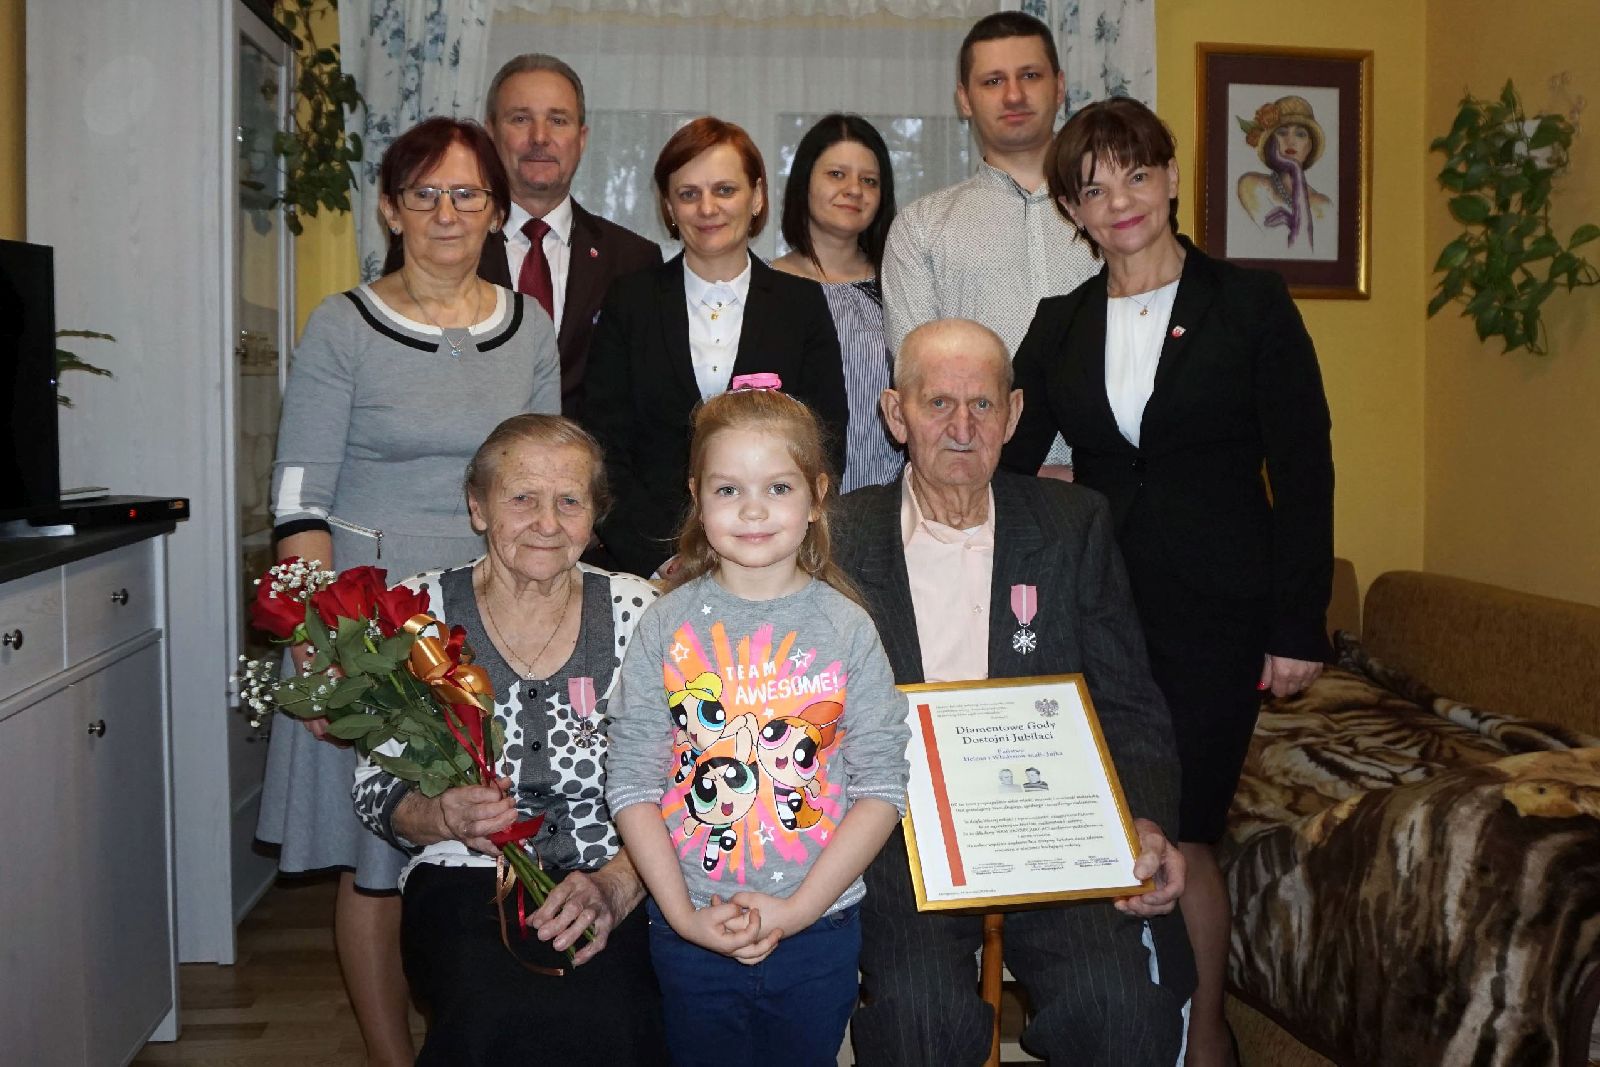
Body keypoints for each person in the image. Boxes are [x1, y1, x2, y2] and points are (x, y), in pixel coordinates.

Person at [1002, 97, 1334, 1067]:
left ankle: (1205, 1035)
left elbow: (1303, 468)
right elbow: (1007, 456)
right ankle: (1123, 1017)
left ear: (1174, 176)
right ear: (1073, 210)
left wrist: (1299, 621)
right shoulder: (1059, 322)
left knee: (1183, 828)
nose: (1120, 201)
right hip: (1096, 611)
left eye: (1136, 174)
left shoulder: (1250, 303)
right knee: (1103, 819)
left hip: (1217, 615)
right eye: (1093, 187)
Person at [258, 116, 560, 1066]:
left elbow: (547, 480)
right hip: (373, 625)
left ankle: (485, 1035)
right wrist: (323, 654)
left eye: (467, 193)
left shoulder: (529, 327)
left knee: (486, 839)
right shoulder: (341, 325)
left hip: (491, 615)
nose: (446, 212)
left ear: (497, 212)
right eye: (423, 194)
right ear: (390, 209)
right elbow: (299, 500)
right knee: (378, 864)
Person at [836, 318, 1194, 1066]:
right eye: (938, 404)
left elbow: (1128, 701)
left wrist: (1147, 822)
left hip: (1052, 828)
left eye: (983, 405)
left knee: (1124, 1011)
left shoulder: (1071, 522)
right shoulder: (839, 536)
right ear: (896, 414)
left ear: (1014, 413)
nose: (963, 428)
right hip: (902, 834)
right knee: (919, 1022)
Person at [606, 385, 910, 1067]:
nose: (752, 509)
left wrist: (798, 910)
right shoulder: (664, 624)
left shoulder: (847, 628)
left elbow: (882, 787)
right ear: (697, 497)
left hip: (820, 928)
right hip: (688, 928)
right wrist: (683, 916)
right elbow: (631, 783)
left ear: (817, 496)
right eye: (728, 489)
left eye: (777, 487)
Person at [352, 415, 666, 1065]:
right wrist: (441, 814)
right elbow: (377, 789)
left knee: (616, 1016)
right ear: (478, 507)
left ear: (594, 515)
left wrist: (618, 883)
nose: (547, 522)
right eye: (522, 497)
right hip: (466, 875)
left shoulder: (642, 611)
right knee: (491, 1011)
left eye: (570, 500)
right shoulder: (417, 613)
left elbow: (686, 777)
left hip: (619, 867)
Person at [581, 117, 849, 577]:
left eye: (725, 190)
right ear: (669, 206)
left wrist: (772, 546)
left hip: (772, 555)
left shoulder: (801, 304)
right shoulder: (631, 301)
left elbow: (824, 440)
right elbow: (604, 447)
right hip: (651, 564)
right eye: (689, 194)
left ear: (757, 196)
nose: (707, 208)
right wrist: (661, 559)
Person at [381, 54, 662, 416]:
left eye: (557, 120)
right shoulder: (439, 243)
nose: (539, 137)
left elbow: (640, 398)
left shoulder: (633, 259)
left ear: (581, 138)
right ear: (491, 134)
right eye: (520, 119)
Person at [880, 10, 1098, 477]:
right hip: (976, 486)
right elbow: (922, 382)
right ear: (964, 99)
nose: (1014, 95)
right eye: (993, 81)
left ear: (1059, 86)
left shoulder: (1111, 216)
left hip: (1110, 480)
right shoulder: (921, 228)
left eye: (1030, 76)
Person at [773, 113, 903, 493]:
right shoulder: (762, 285)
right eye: (836, 174)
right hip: (787, 501)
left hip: (889, 500)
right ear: (804, 183)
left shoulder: (902, 285)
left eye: (869, 181)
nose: (854, 190)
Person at [1235, 95, 1333, 251]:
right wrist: (1295, 169)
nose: (1290, 141)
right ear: (1270, 142)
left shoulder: (1324, 205)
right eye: (1282, 132)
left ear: (1309, 146)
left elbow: (1305, 255)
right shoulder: (1252, 184)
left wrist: (1296, 172)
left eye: (1300, 134)